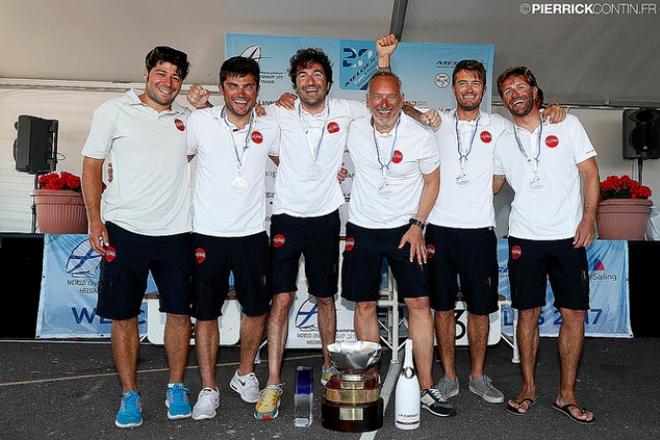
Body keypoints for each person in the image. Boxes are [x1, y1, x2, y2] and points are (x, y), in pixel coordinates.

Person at [377, 35, 566, 413]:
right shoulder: (437, 122)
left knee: (480, 308)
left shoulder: (498, 125)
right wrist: (385, 62)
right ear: (453, 88)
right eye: (461, 82)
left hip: (480, 232)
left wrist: (552, 110)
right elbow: (396, 102)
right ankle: (448, 376)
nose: (468, 88)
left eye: (475, 83)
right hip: (440, 232)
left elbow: (530, 121)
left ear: (483, 88)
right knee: (442, 307)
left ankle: (477, 376)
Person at [81, 46, 193, 428]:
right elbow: (92, 165)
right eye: (161, 73)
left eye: (176, 76)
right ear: (147, 74)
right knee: (123, 314)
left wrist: (205, 103)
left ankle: (176, 387)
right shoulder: (113, 111)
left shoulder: (188, 119)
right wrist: (94, 220)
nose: (168, 82)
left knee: (180, 312)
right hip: (124, 230)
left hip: (176, 231)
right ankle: (130, 394)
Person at [342, 70, 456, 418]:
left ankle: (425, 387)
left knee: (420, 305)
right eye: (377, 97)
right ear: (367, 101)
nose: (384, 103)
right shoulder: (353, 127)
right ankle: (369, 383)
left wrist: (418, 224)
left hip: (406, 231)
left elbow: (433, 182)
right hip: (363, 228)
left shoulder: (420, 135)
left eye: (391, 96)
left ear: (401, 97)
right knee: (363, 306)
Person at [493, 66, 599, 424]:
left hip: (569, 235)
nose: (514, 93)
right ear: (503, 99)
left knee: (574, 314)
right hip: (524, 237)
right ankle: (527, 388)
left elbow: (590, 173)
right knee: (528, 314)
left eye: (521, 86)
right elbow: (489, 185)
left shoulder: (566, 124)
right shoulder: (502, 140)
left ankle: (566, 393)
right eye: (507, 90)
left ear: (536, 92)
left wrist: (588, 219)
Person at [184, 56, 279, 420]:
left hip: (253, 234)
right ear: (222, 87)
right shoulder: (199, 120)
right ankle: (208, 388)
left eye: (249, 86)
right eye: (233, 86)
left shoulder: (270, 126)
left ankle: (244, 374)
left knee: (256, 309)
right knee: (206, 313)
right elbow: (175, 160)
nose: (241, 93)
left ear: (257, 89)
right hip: (207, 234)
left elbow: (292, 163)